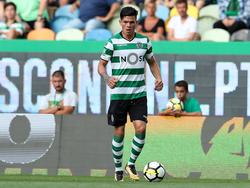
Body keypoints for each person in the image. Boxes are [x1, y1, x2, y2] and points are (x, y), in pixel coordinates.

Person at [98, 6, 163, 182]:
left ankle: (131, 163)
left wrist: (158, 78)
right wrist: (107, 78)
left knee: (141, 128)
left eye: (131, 22)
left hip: (138, 94)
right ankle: (118, 168)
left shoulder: (145, 41)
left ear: (136, 23)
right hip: (119, 95)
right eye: (125, 22)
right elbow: (101, 65)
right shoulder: (112, 42)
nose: (128, 25)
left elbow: (152, 62)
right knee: (119, 131)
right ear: (120, 22)